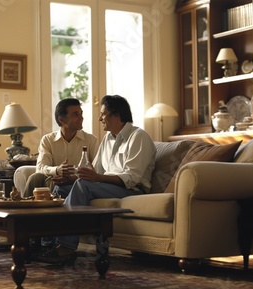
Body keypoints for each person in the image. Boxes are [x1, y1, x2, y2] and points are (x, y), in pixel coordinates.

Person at [39, 94, 156, 264]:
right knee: (60, 189)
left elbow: (132, 178)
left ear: (115, 115)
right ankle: (47, 243)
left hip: (131, 190)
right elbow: (95, 170)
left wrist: (94, 178)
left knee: (82, 186)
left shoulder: (138, 137)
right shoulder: (107, 139)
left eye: (103, 113)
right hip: (106, 186)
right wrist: (71, 179)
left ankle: (66, 247)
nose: (100, 118)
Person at [23, 97, 99, 198]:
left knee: (60, 184)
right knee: (35, 177)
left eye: (81, 113)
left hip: (78, 182)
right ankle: (23, 210)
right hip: (54, 181)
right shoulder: (48, 140)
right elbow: (40, 168)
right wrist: (57, 170)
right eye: (76, 114)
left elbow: (97, 171)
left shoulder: (91, 140)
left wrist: (74, 177)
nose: (81, 117)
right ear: (62, 119)